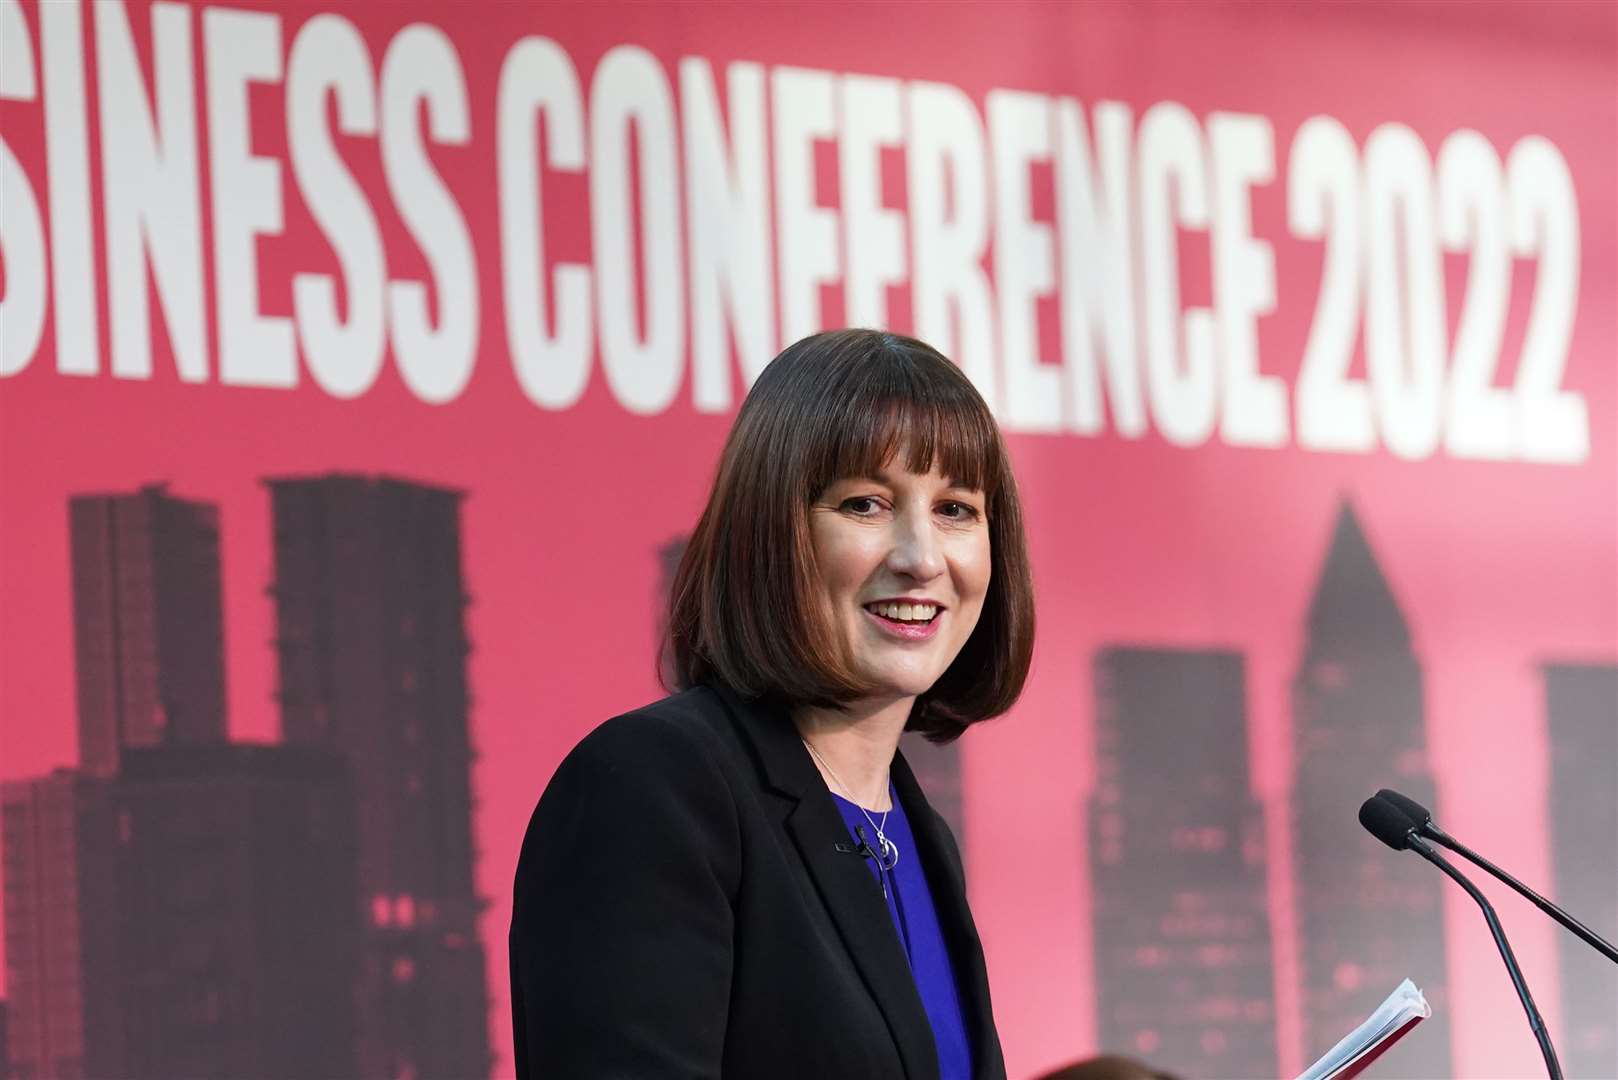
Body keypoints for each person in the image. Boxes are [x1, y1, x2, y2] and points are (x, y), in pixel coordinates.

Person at [509, 329, 1036, 1079]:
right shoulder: (653, 786)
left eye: (956, 509)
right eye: (866, 504)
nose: (922, 557)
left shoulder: (924, 837)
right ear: (773, 531)